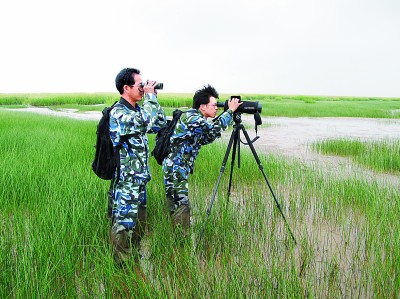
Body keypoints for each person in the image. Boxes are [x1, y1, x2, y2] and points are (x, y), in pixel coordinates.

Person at [162, 84, 241, 234]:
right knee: (181, 204)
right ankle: (181, 240)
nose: (216, 107)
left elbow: (207, 137)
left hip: (179, 168)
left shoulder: (198, 120)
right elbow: (210, 129)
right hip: (175, 168)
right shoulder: (191, 117)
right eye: (214, 105)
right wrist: (230, 111)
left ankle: (178, 236)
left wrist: (229, 116)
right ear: (202, 106)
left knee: (178, 204)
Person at [109, 67, 166, 263]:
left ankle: (134, 259)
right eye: (140, 85)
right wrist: (149, 98)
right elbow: (143, 123)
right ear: (126, 88)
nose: (143, 89)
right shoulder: (118, 113)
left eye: (144, 85)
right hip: (126, 182)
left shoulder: (139, 110)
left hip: (140, 180)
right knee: (124, 224)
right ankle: (121, 267)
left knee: (139, 224)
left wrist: (154, 99)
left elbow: (159, 124)